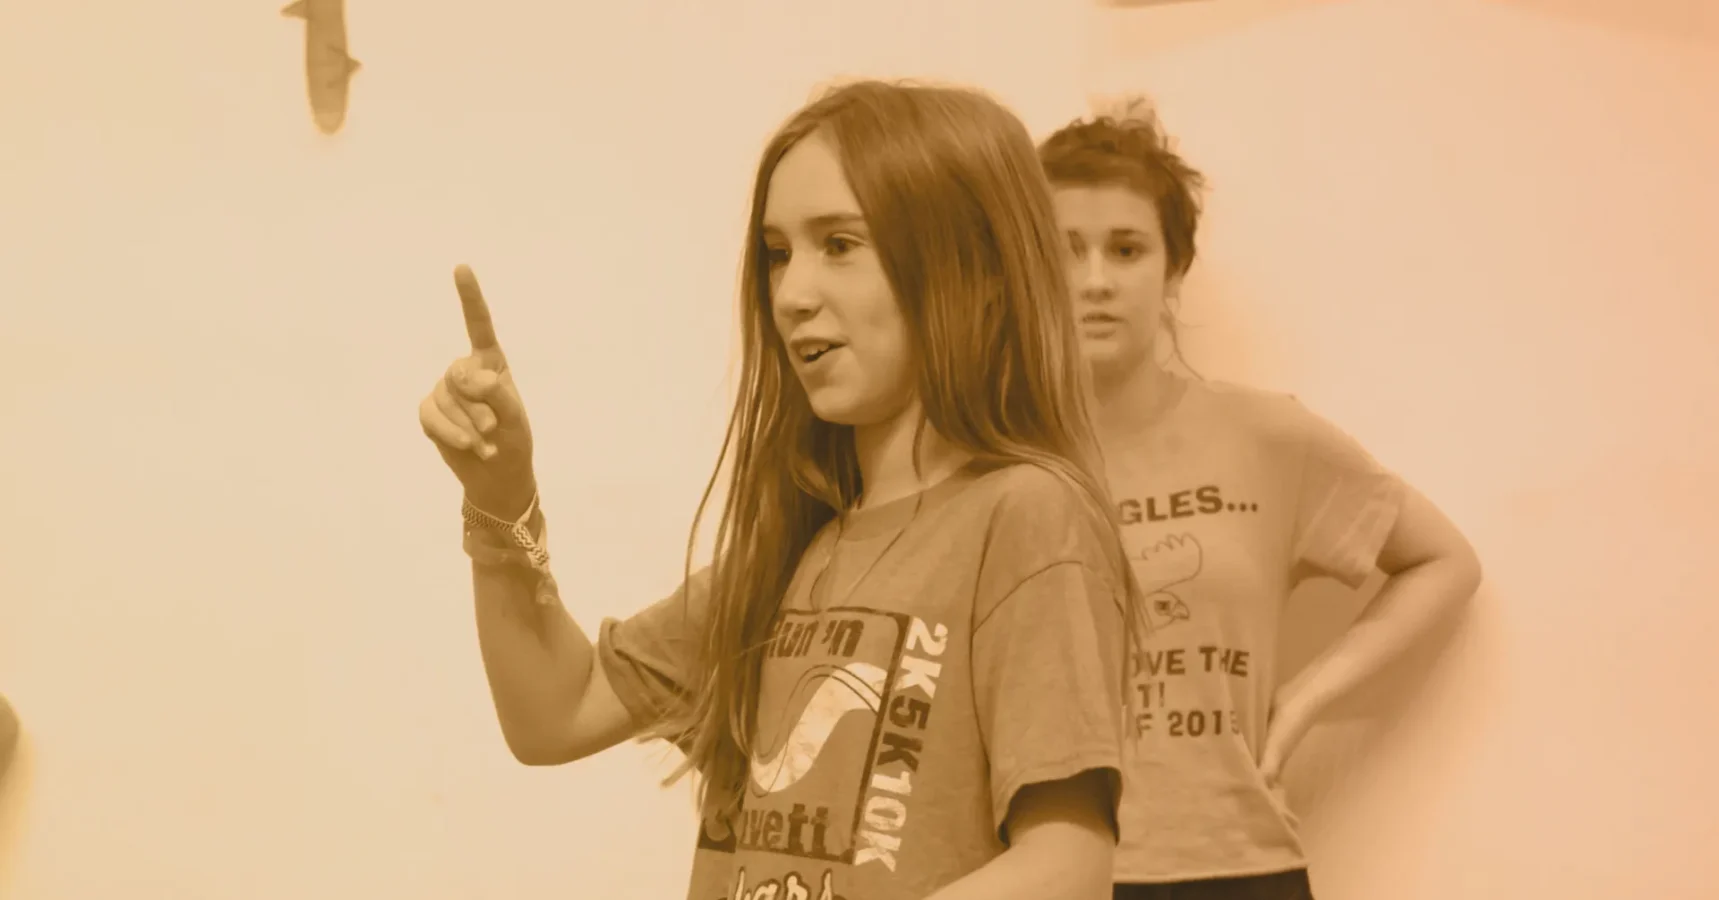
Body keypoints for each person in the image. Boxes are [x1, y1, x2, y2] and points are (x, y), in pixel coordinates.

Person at [419, 79, 1149, 900]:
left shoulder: (1026, 514)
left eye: (839, 243)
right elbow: (553, 714)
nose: (793, 294)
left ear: (970, 266)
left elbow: (1067, 867)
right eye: (778, 253)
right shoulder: (793, 546)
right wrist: (500, 498)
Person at [1037, 98, 1484, 900]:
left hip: (1238, 863)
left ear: (1172, 271)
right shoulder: (998, 459)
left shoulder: (1266, 439)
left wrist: (1303, 698)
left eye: (1126, 249)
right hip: (1055, 873)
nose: (1095, 280)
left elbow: (1443, 562)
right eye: (1065, 250)